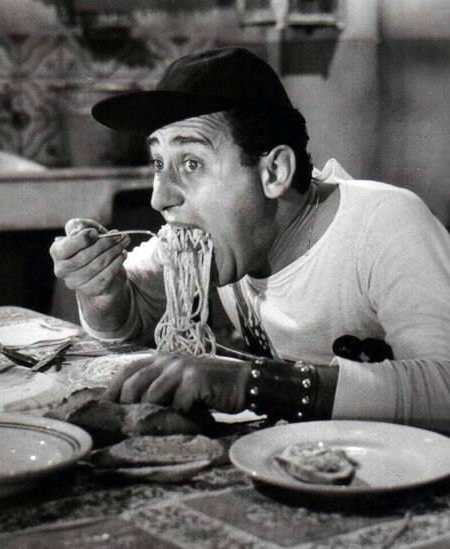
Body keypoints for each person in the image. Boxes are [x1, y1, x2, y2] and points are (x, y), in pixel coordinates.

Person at [49, 47, 450, 432]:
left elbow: (445, 387)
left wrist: (250, 381)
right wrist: (102, 292)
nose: (160, 197)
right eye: (158, 163)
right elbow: (128, 313)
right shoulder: (203, 241)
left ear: (273, 172)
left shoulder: (383, 224)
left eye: (191, 163)